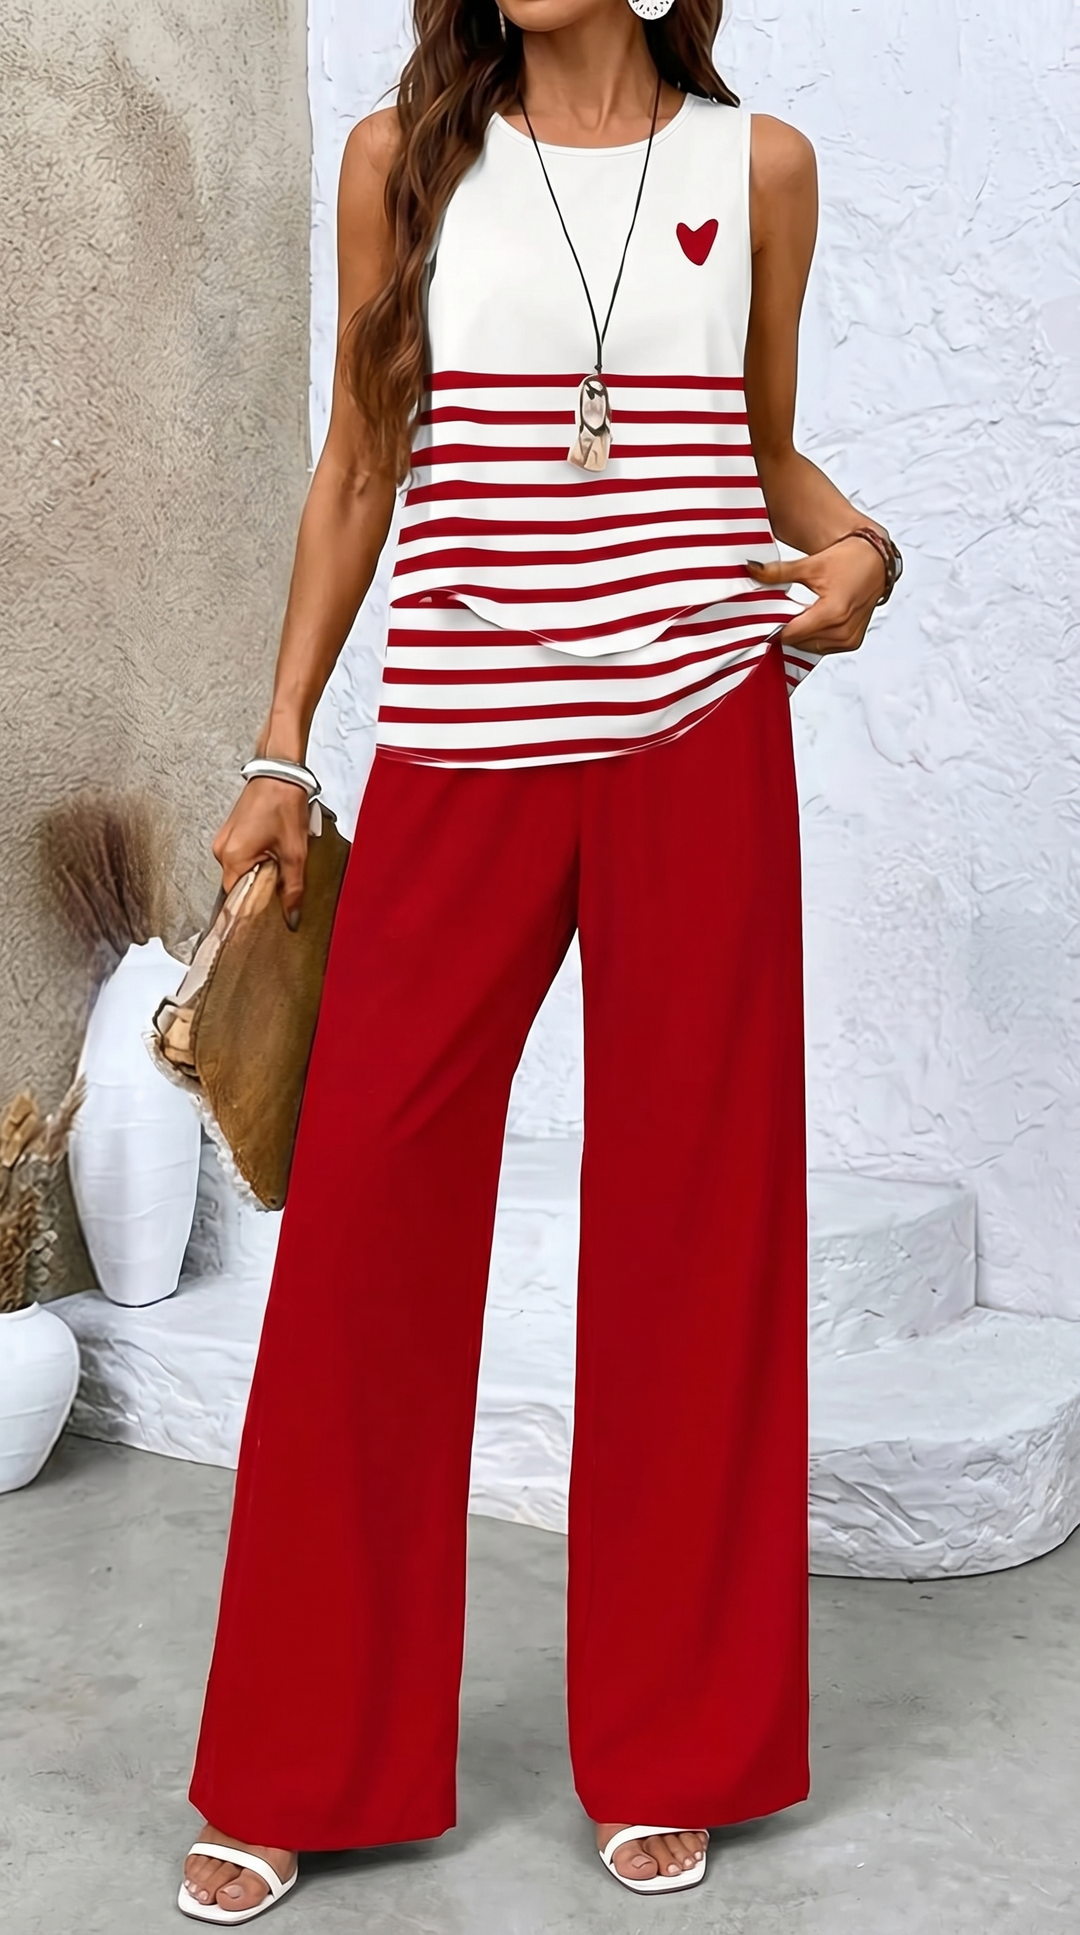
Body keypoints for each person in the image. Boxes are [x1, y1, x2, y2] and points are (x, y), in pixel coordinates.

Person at [179, 0, 900, 1918]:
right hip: (461, 756)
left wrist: (861, 556)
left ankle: (678, 1741)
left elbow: (755, 450)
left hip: (703, 744)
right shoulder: (405, 160)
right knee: (364, 1228)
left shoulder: (758, 171)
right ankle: (299, 1756)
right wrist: (281, 747)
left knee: (694, 1239)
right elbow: (362, 462)